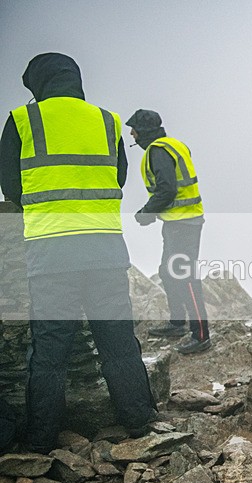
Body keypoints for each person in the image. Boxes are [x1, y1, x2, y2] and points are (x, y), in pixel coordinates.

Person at [0, 52, 156, 453]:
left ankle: (41, 440)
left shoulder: (23, 120)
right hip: (104, 247)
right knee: (118, 340)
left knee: (50, 351)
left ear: (39, 81)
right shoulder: (107, 121)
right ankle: (140, 422)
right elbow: (118, 177)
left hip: (51, 252)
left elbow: (12, 188)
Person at [125, 109, 211, 354]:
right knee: (168, 271)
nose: (132, 134)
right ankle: (177, 322)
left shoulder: (158, 151)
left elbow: (167, 190)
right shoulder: (174, 144)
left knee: (185, 278)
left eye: (134, 129)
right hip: (180, 221)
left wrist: (146, 212)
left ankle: (201, 335)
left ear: (144, 130)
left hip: (183, 223)